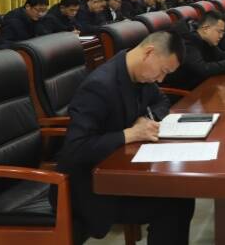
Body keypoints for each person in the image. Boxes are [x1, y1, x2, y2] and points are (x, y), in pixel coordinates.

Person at [55, 31, 195, 244]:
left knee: (181, 193)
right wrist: (128, 135)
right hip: (88, 187)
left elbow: (162, 101)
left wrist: (145, 119)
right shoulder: (99, 86)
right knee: (173, 205)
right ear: (149, 53)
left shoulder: (139, 75)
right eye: (163, 71)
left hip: (121, 169)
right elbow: (76, 147)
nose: (161, 79)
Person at [164, 11, 225, 91]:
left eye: (223, 32)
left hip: (199, 87)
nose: (221, 36)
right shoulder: (187, 41)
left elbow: (220, 55)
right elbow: (203, 69)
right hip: (182, 93)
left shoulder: (205, 39)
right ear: (206, 29)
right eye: (219, 32)